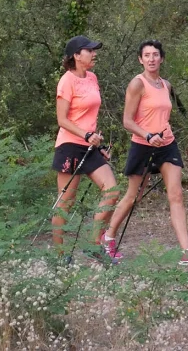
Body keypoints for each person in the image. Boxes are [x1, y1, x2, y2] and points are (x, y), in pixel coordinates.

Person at [103, 40, 188, 265]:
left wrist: (160, 135)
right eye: (147, 55)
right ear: (140, 59)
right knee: (134, 196)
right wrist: (148, 135)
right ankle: (108, 238)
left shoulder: (166, 85)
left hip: (167, 144)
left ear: (162, 58)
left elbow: (163, 115)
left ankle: (187, 251)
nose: (151, 59)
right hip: (143, 144)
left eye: (155, 55)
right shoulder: (137, 84)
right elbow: (127, 121)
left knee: (176, 195)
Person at [51, 35, 122, 261]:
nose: (94, 54)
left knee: (112, 190)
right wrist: (86, 135)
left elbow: (89, 114)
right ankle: (60, 255)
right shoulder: (66, 81)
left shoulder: (92, 77)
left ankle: (93, 245)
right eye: (89, 50)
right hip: (69, 145)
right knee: (65, 203)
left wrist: (96, 140)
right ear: (76, 55)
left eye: (94, 50)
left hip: (90, 146)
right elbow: (62, 119)